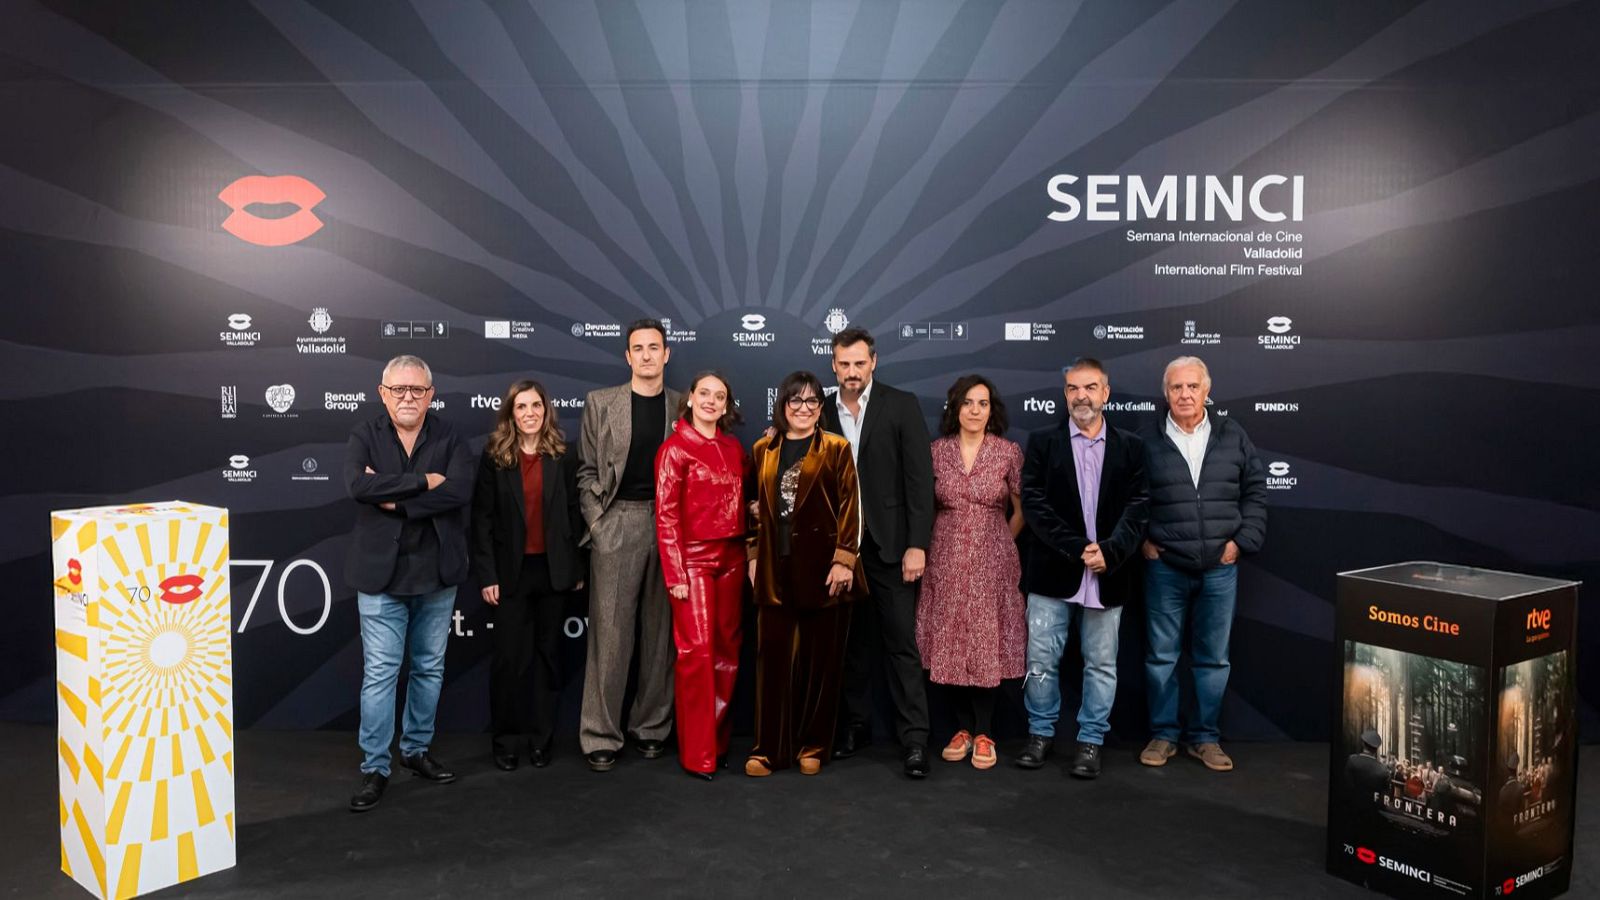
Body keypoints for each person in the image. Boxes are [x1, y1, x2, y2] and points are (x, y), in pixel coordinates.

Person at [342, 355, 473, 812]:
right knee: (381, 673)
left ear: (430, 394)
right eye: (398, 389)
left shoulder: (451, 436)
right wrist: (423, 482)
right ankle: (376, 767)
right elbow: (358, 486)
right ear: (383, 393)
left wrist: (396, 500)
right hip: (380, 576)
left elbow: (459, 491)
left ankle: (415, 750)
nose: (408, 397)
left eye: (417, 389)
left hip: (437, 573)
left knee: (429, 668)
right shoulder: (365, 435)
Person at [1016, 358, 1149, 778]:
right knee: (1040, 660)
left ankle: (1091, 741)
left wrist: (1111, 550)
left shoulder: (1131, 446)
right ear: (1065, 394)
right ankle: (1040, 734)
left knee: (1102, 665)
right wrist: (1079, 549)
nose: (1081, 396)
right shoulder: (1042, 442)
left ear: (1105, 393)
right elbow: (1034, 505)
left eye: (1090, 387)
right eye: (1073, 388)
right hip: (1053, 573)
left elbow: (1139, 507)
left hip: (1109, 574)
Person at [1140, 356, 1267, 773]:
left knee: (1213, 658)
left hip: (1220, 568)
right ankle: (1163, 735)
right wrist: (1143, 542)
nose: (1185, 395)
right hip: (1165, 568)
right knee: (1162, 657)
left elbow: (1255, 490)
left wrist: (1241, 543)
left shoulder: (1232, 435)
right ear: (1166, 393)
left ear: (1207, 391)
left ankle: (1205, 738)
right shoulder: (1147, 440)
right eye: (1177, 387)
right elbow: (1130, 498)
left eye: (1192, 386)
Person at [821, 327, 936, 779]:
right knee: (850, 646)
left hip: (891, 547)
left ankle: (915, 740)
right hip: (839, 550)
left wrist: (917, 544)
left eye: (859, 363)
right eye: (844, 364)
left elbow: (919, 480)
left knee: (902, 645)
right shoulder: (820, 409)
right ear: (834, 366)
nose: (852, 371)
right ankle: (855, 727)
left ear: (874, 362)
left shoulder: (901, 404)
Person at [576, 319, 683, 772]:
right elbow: (586, 470)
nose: (646, 355)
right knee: (611, 634)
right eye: (638, 348)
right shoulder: (601, 403)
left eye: (654, 347)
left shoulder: (684, 404)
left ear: (666, 354)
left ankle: (652, 727)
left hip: (671, 524)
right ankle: (600, 734)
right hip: (617, 520)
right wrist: (598, 523)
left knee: (661, 635)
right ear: (627, 356)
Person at [746, 371, 860, 777]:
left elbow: (850, 506)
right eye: (795, 400)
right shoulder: (762, 448)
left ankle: (813, 745)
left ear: (820, 407)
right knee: (772, 663)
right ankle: (768, 750)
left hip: (823, 569)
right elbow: (751, 507)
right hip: (774, 568)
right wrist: (753, 554)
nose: (804, 408)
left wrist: (844, 559)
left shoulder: (836, 448)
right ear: (783, 404)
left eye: (812, 401)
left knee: (819, 664)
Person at [470, 379, 585, 772]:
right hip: (510, 574)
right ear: (511, 414)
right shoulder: (495, 457)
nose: (530, 413)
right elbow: (482, 519)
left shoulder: (563, 455)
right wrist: (487, 574)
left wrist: (576, 568)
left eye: (536, 405)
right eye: (521, 407)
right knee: (509, 662)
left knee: (548, 659)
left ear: (546, 410)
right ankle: (505, 742)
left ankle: (541, 740)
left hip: (553, 573)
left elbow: (574, 513)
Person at [913, 375, 1024, 771]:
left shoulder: (1008, 452)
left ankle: (985, 732)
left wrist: (999, 542)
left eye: (983, 403)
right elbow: (925, 508)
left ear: (992, 410)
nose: (975, 410)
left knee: (985, 640)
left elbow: (1020, 511)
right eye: (968, 403)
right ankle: (961, 729)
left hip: (993, 563)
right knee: (951, 642)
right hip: (945, 561)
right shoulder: (935, 452)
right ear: (955, 407)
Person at [654, 371, 750, 781]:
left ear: (726, 405)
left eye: (719, 396)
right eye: (704, 393)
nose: (711, 400)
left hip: (733, 556)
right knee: (697, 655)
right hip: (692, 560)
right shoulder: (674, 449)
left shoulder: (733, 447)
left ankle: (717, 742)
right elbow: (666, 516)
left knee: (728, 652)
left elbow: (746, 498)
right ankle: (698, 754)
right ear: (690, 399)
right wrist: (675, 571)